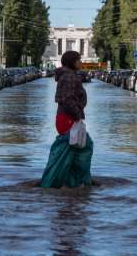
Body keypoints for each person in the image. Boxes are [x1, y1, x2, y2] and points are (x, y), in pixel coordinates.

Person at [40, 51, 94, 188]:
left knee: (73, 150)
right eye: (79, 60)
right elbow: (68, 99)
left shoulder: (68, 76)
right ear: (72, 62)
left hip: (65, 118)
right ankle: (70, 182)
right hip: (69, 119)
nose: (81, 62)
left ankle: (70, 183)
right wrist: (77, 116)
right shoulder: (70, 77)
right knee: (84, 146)